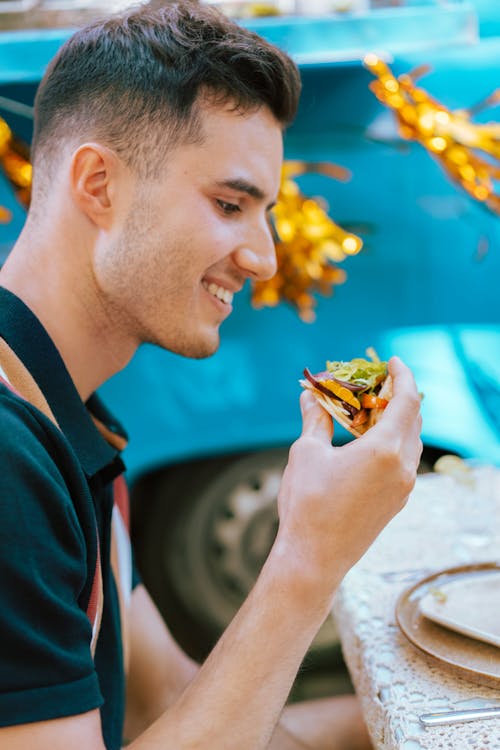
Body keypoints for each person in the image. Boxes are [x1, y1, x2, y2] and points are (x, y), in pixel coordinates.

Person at [0, 2, 423, 748]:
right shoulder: (8, 463)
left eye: (267, 214)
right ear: (98, 185)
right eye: (230, 204)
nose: (262, 258)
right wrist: (308, 556)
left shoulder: (63, 410)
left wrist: (423, 725)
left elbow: (170, 703)